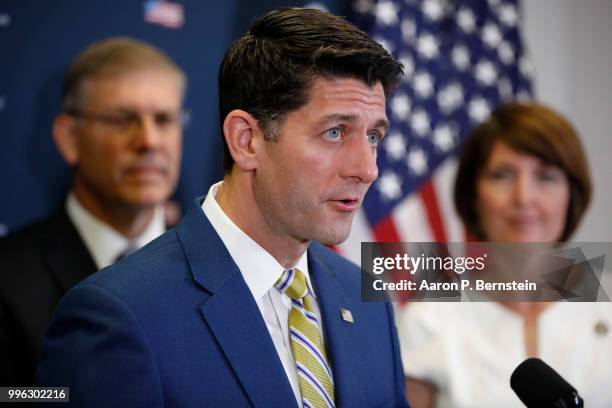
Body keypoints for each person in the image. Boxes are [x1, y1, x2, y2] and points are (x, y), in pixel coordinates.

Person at [37, 8, 409, 408]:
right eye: (335, 132)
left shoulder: (363, 296)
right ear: (246, 140)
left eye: (373, 136)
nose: (367, 169)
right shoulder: (119, 315)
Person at [396, 102, 612, 407]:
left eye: (546, 177)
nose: (524, 197)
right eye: (502, 175)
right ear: (473, 196)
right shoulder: (428, 319)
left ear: (572, 194)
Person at [0, 37, 186, 385]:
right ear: (70, 137)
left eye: (163, 119)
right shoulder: (8, 277)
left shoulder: (218, 266)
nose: (149, 141)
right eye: (122, 119)